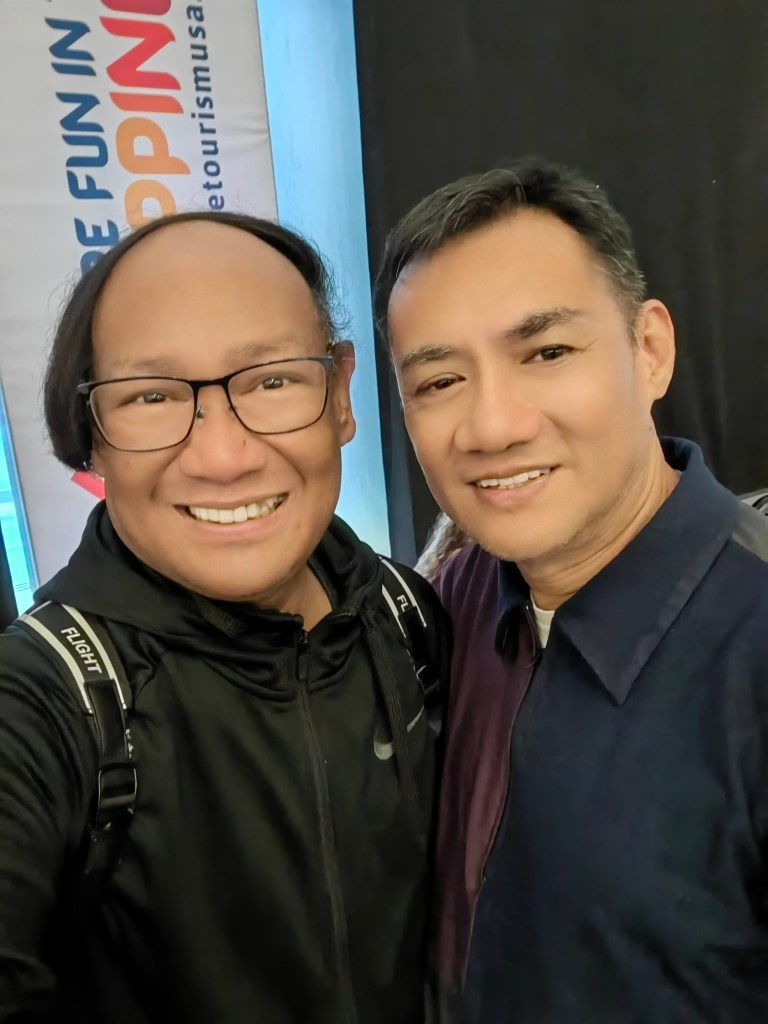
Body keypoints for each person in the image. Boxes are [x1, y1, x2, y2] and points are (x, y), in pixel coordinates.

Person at [0, 211, 449, 1024]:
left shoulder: (407, 616)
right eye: (151, 395)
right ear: (91, 437)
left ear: (340, 395)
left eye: (272, 381)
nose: (223, 457)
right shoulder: (48, 699)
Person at [375, 158, 768, 1023]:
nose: (492, 426)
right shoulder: (452, 601)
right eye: (439, 382)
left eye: (547, 352)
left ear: (649, 349)